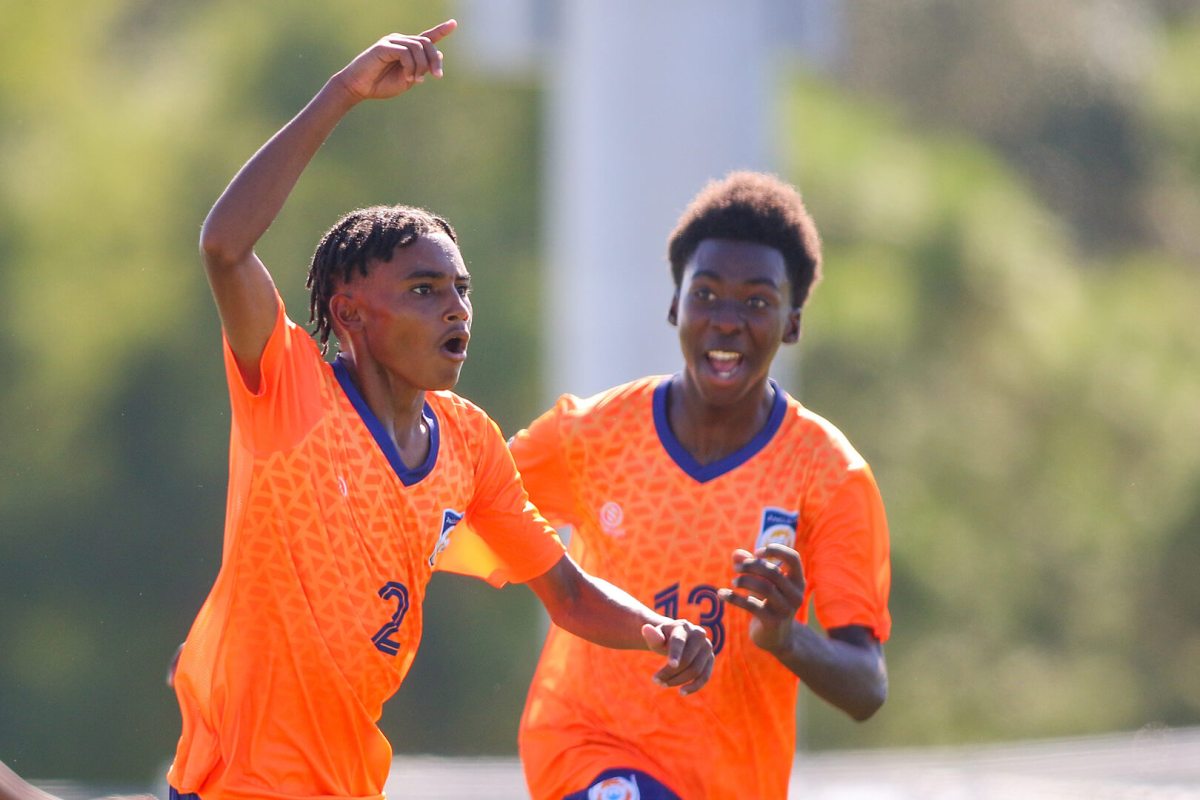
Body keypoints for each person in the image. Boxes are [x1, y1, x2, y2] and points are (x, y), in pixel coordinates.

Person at [167, 21, 712, 800]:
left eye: (460, 289)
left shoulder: (467, 443)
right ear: (350, 313)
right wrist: (344, 94)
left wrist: (656, 629)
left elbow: (563, 591)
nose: (455, 309)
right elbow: (224, 246)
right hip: (242, 778)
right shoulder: (292, 391)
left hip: (346, 780)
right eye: (424, 291)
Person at [511, 172, 892, 799]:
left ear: (792, 323)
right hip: (585, 746)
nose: (727, 322)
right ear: (674, 306)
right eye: (707, 295)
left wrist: (785, 637)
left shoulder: (830, 475)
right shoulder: (591, 433)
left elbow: (867, 688)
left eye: (756, 303)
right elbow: (464, 497)